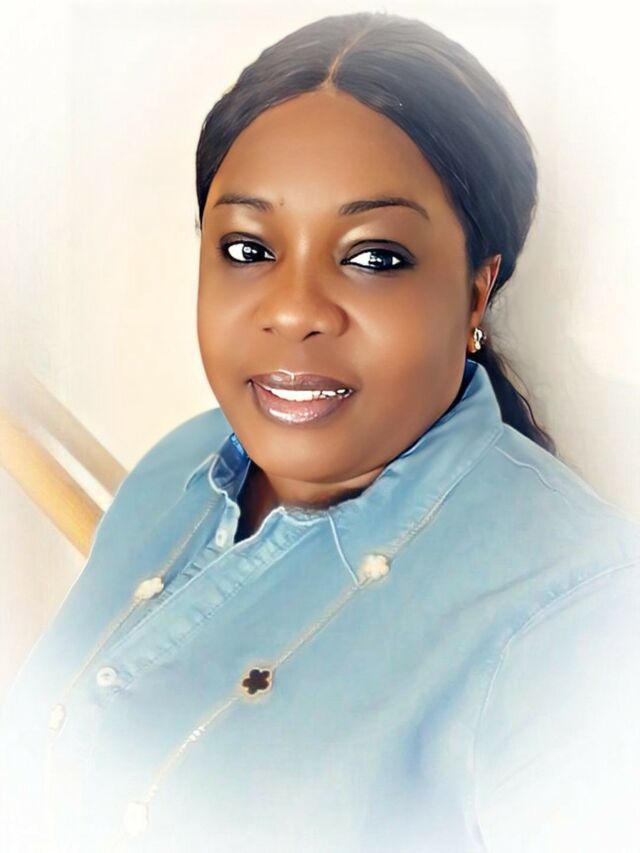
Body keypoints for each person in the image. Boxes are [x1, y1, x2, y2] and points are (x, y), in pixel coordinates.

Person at [1, 10, 639, 853]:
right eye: (247, 249)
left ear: (476, 292)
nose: (294, 309)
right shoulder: (178, 467)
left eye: (374, 257)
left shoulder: (581, 623)